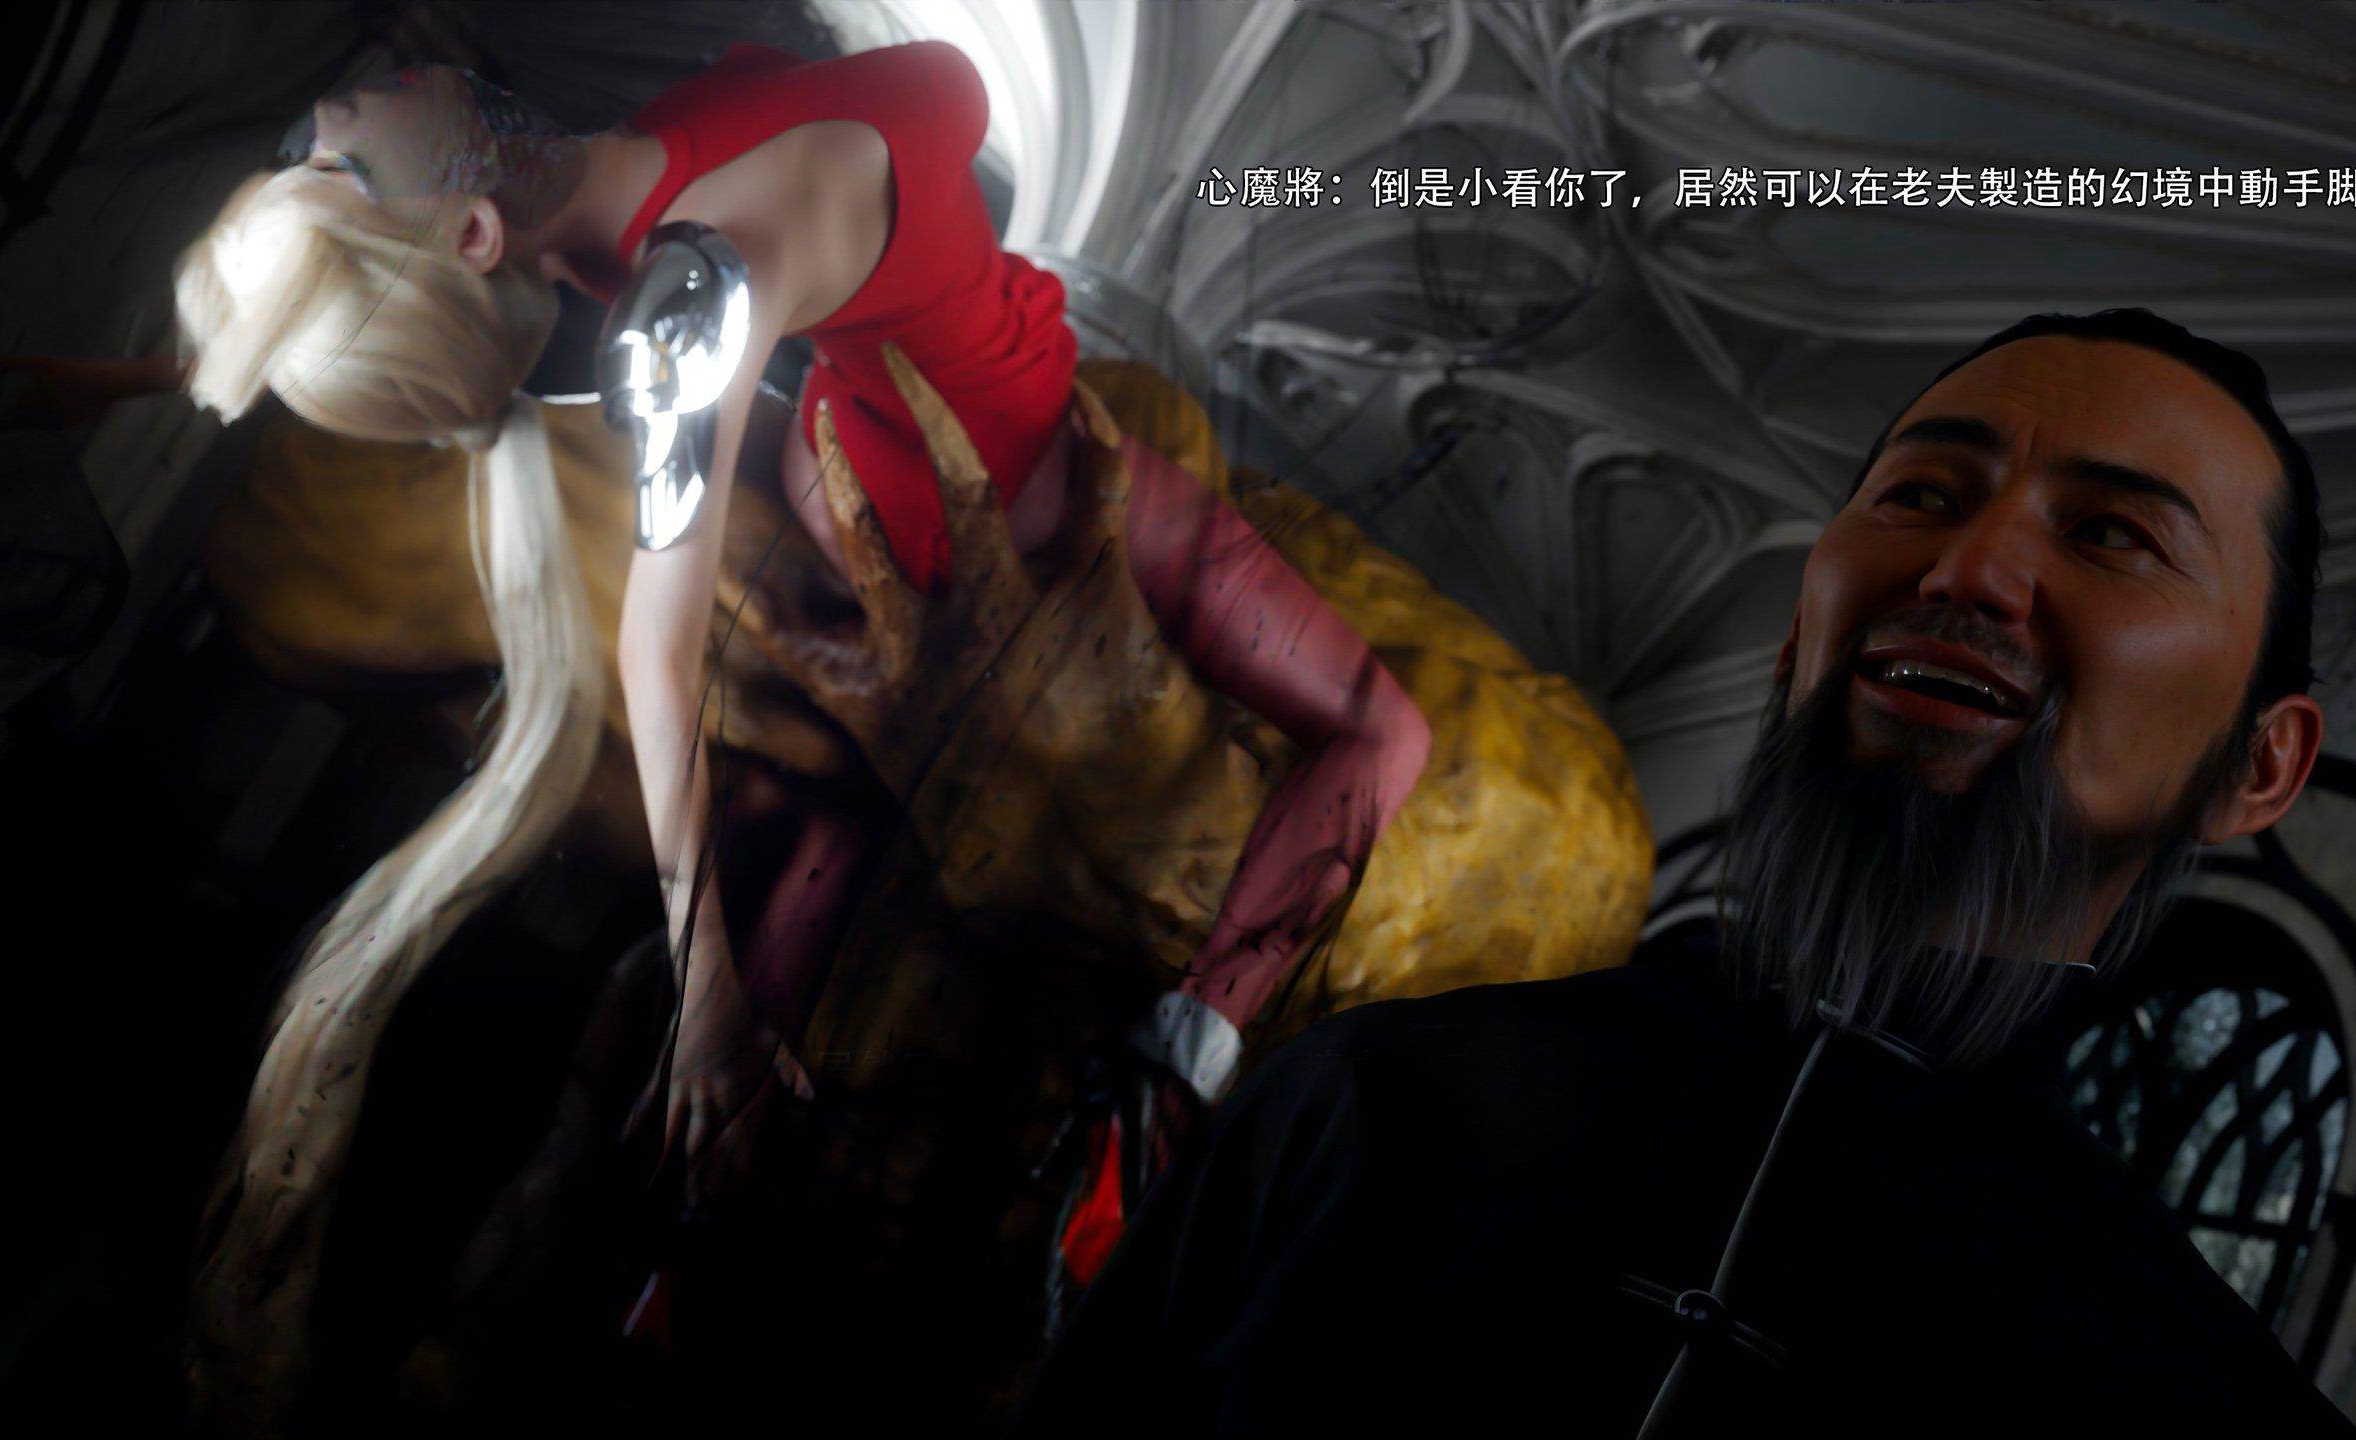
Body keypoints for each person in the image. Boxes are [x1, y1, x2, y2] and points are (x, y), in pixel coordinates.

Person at [170, 39, 1436, 1408]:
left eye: (309, 153)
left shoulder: (621, 195)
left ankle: (692, 1260)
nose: (326, 113)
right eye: (344, 168)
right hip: (991, 493)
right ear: (474, 233)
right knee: (1387, 735)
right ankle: (1171, 1083)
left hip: (886, 428)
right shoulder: (686, 299)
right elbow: (657, 654)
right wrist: (704, 982)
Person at [1017, 308, 2356, 1437]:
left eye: (2114, 535)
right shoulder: (1368, 1099)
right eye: (1921, 496)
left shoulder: (2211, 1408)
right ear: (1796, 642)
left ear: (2261, 766)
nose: (1969, 569)